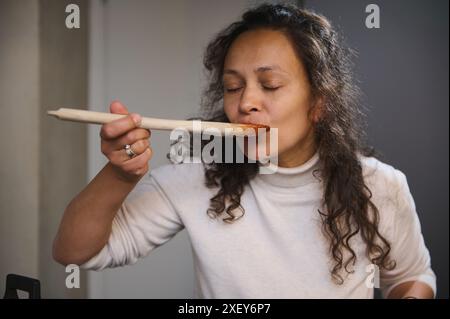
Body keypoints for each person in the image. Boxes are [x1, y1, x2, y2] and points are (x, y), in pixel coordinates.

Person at [53, 3, 436, 298]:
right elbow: (75, 252)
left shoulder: (380, 185)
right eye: (234, 87)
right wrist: (120, 174)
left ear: (319, 103)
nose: (246, 102)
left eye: (269, 85)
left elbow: (411, 276)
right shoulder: (197, 176)